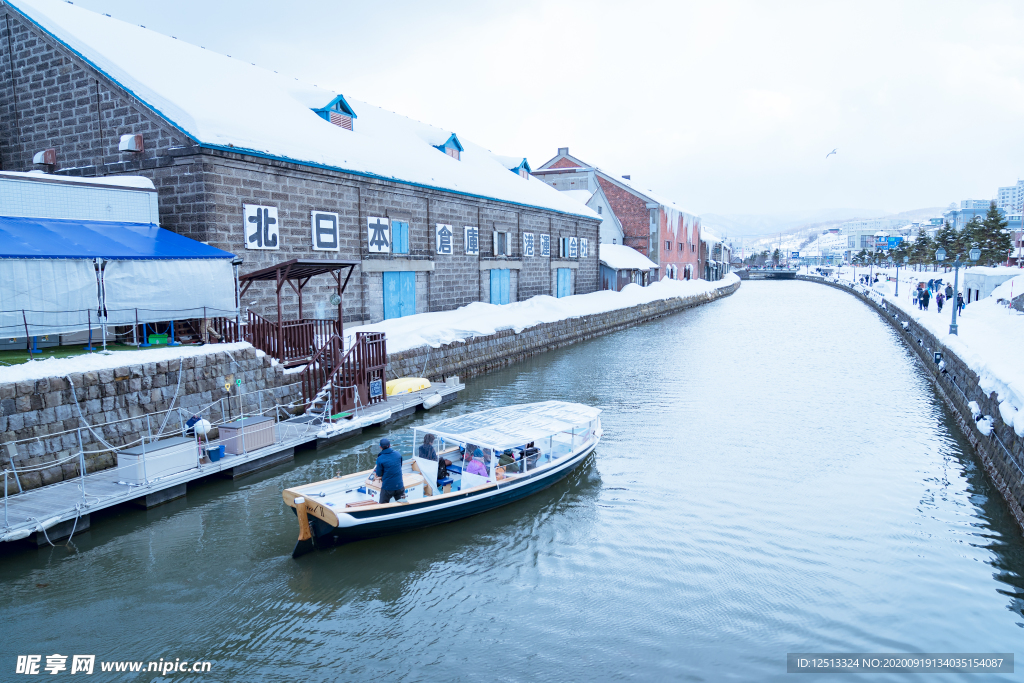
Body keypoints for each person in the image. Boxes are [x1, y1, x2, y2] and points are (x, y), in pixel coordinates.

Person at [373, 438, 406, 504]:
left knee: (382, 506)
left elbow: (378, 474)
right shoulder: (398, 454)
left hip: (387, 488)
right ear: (390, 445)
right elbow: (399, 466)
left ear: (380, 447)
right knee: (402, 504)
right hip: (399, 486)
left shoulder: (380, 458)